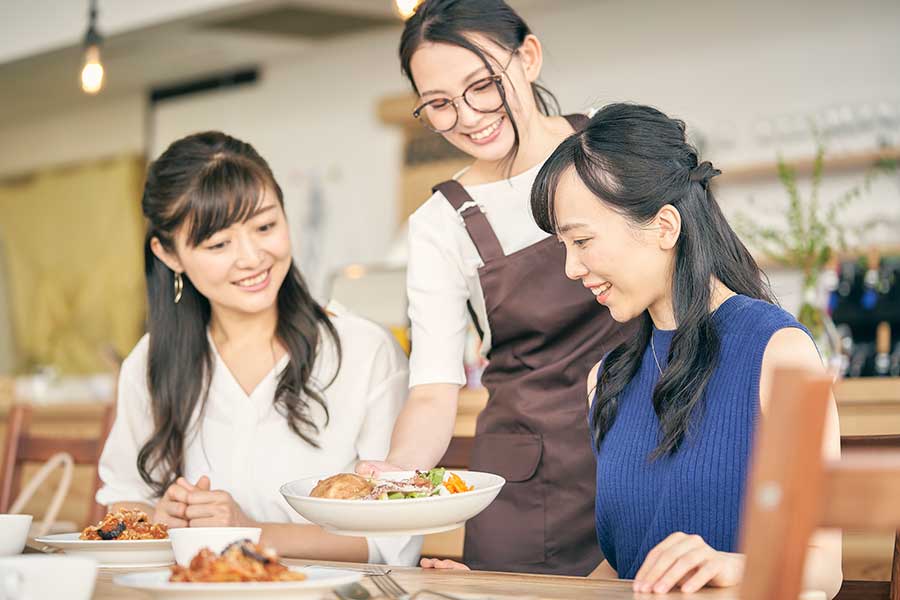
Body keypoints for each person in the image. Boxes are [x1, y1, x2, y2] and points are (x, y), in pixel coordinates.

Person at [357, 0, 634, 576]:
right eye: (439, 104)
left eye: (482, 85)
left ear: (527, 57)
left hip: (651, 446)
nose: (467, 116)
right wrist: (397, 471)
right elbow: (434, 390)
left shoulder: (614, 146)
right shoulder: (439, 223)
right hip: (528, 485)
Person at [527, 103, 843, 597]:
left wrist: (726, 566)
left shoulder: (778, 352)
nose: (571, 268)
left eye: (582, 240)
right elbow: (625, 570)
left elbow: (824, 567)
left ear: (665, 226)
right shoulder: (607, 379)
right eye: (564, 246)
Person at [96, 131, 421, 566]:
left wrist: (249, 531)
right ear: (169, 254)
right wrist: (160, 518)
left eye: (265, 227)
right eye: (218, 244)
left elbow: (392, 545)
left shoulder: (364, 352)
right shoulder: (150, 362)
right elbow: (121, 502)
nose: (252, 257)